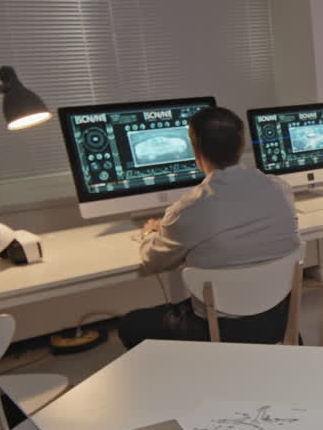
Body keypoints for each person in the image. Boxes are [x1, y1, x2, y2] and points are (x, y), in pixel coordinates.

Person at [117, 106, 301, 349]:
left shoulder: (188, 209)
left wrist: (151, 232)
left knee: (131, 324)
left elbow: (152, 262)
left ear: (195, 149)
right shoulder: (281, 189)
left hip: (222, 328)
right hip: (279, 318)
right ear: (241, 143)